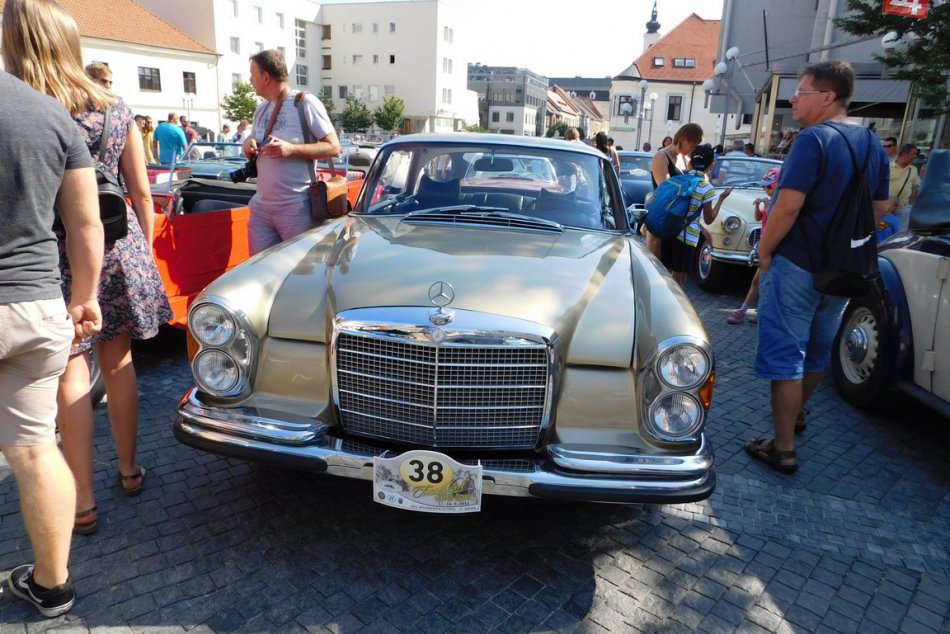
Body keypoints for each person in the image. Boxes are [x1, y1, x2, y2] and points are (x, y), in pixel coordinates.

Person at [5, 0, 173, 535]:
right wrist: (142, 248)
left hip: (46, 255)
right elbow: (141, 192)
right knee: (119, 363)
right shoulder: (115, 108)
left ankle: (82, 501)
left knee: (68, 376)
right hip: (117, 247)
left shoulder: (27, 107)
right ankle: (128, 471)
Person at [2, 4, 105, 618]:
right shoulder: (52, 117)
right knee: (38, 450)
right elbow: (85, 223)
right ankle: (53, 586)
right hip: (38, 306)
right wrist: (84, 297)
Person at [748, 60, 889, 474]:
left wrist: (766, 252)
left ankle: (783, 448)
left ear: (827, 97)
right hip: (843, 269)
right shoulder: (872, 143)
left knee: (786, 355)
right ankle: (797, 414)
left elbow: (788, 206)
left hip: (798, 263)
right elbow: (880, 209)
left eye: (802, 91)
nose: (794, 98)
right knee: (816, 351)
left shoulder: (812, 141)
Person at [243, 49, 340, 254]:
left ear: (266, 76)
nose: (250, 79)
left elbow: (333, 147)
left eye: (253, 74)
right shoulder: (260, 110)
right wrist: (249, 145)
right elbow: (256, 147)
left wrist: (291, 150)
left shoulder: (304, 103)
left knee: (301, 274)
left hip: (296, 207)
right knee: (260, 272)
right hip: (262, 208)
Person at [659, 144, 732, 287]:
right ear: (711, 165)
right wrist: (721, 199)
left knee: (667, 275)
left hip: (669, 231)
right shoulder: (707, 188)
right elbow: (709, 219)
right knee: (679, 281)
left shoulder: (680, 178)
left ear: (691, 162)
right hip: (687, 238)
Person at [727, 166, 780, 325]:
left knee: (761, 280)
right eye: (764, 186)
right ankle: (755, 311)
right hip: (765, 245)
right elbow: (759, 217)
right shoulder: (770, 201)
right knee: (760, 280)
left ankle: (746, 311)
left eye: (769, 186)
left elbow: (773, 221)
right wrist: (759, 205)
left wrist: (767, 205)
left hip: (774, 247)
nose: (765, 189)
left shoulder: (779, 203)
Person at [647, 123, 704, 257]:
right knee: (658, 267)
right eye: (693, 145)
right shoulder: (661, 156)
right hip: (662, 220)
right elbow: (666, 190)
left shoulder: (684, 158)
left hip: (676, 221)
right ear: (683, 139)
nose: (692, 150)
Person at [888, 143, 920, 231]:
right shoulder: (888, 167)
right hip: (887, 208)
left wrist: (911, 206)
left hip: (903, 209)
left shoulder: (913, 170)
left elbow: (913, 189)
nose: (915, 156)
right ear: (904, 154)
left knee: (900, 233)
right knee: (884, 231)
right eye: (913, 154)